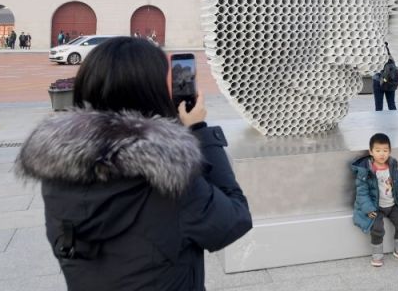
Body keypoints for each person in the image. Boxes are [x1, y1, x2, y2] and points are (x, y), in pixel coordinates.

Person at [15, 37, 252, 290]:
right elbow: (234, 219)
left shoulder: (57, 172)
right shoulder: (170, 180)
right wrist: (199, 131)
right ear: (150, 93)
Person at [351, 133, 398, 267]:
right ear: (371, 152)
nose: (382, 154)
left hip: (392, 204)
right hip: (376, 207)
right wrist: (369, 209)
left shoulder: (392, 166)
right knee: (377, 229)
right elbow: (362, 192)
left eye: (385, 150)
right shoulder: (366, 171)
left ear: (389, 151)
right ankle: (377, 255)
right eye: (378, 150)